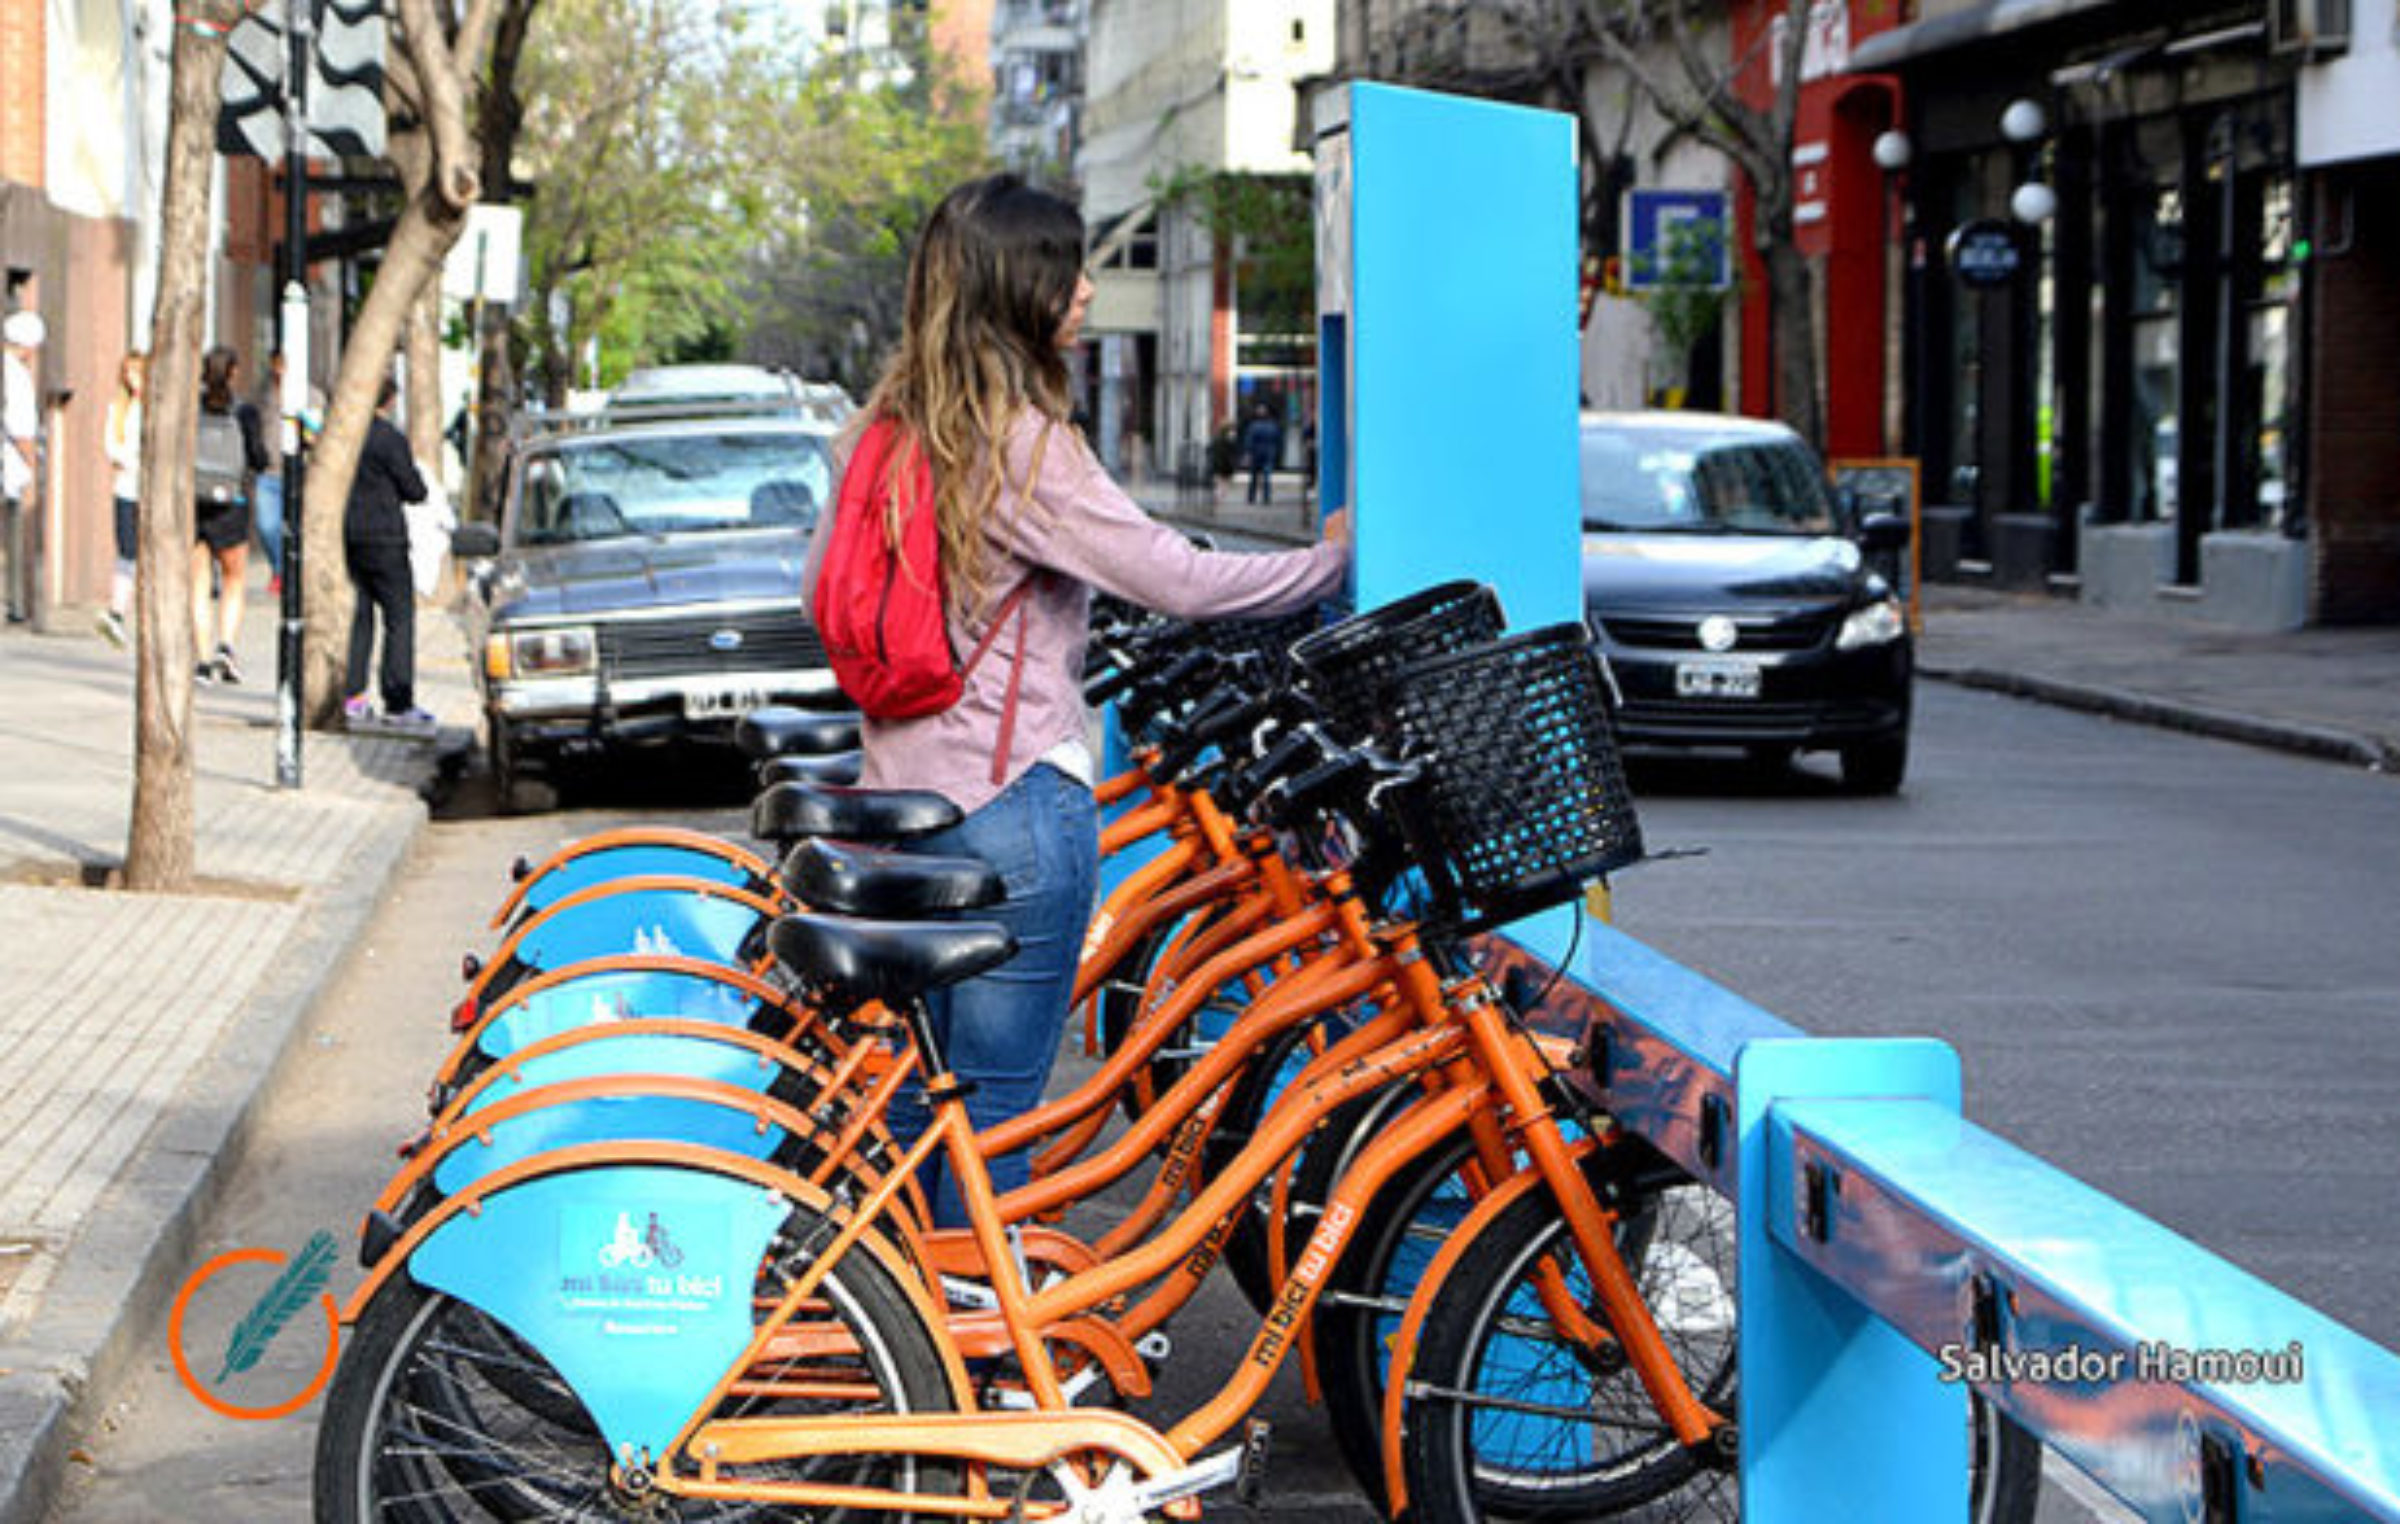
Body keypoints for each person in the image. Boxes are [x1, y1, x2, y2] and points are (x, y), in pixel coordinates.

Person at [801, 172, 1350, 1226]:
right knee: (999, 1111)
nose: (1091, 291)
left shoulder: (884, 436)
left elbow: (818, 589)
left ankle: (918, 1334)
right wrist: (1328, 565)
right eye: (1071, 271)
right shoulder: (1022, 445)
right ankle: (982, 1355)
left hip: (903, 808)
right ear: (1021, 292)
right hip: (1013, 809)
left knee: (928, 1105)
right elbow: (1179, 579)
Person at [343, 375, 432, 731]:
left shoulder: (345, 436)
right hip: (386, 539)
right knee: (399, 618)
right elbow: (413, 489)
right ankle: (398, 700)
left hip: (349, 537)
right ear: (390, 400)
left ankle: (352, 695)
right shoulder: (390, 440)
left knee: (360, 618)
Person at [192, 346, 267, 683]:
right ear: (234, 373)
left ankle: (202, 657)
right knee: (233, 579)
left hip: (195, 502)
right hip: (231, 504)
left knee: (198, 582)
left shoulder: (193, 409)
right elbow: (259, 458)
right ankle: (226, 645)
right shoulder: (245, 413)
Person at [98, 351, 145, 647]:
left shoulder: (153, 407)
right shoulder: (119, 408)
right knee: (127, 551)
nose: (133, 379)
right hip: (127, 487)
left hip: (147, 490)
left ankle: (127, 612)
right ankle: (116, 612)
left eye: (138, 372)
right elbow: (112, 448)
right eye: (128, 373)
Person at [2, 309, 43, 625]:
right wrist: (33, 464)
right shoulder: (16, 375)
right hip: (8, 469)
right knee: (9, 538)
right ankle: (12, 604)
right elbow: (22, 431)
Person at [251, 353, 286, 594]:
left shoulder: (310, 395)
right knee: (267, 525)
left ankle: (285, 573)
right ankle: (279, 568)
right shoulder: (261, 396)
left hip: (300, 472)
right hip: (268, 472)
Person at [1242, 400, 1283, 505]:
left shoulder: (1254, 425)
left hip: (1257, 453)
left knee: (1254, 477)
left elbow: (1249, 440)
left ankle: (1252, 497)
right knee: (1266, 477)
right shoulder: (1273, 425)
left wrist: (1248, 453)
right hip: (1268, 453)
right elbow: (1278, 440)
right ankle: (1266, 498)